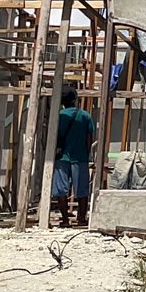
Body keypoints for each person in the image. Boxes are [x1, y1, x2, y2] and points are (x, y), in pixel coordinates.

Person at [52, 86, 96, 228]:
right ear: (75, 99)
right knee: (82, 190)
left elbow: (53, 136)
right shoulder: (85, 116)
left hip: (62, 157)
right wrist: (87, 152)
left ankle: (65, 219)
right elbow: (90, 138)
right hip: (80, 157)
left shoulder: (59, 116)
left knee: (60, 190)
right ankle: (81, 218)